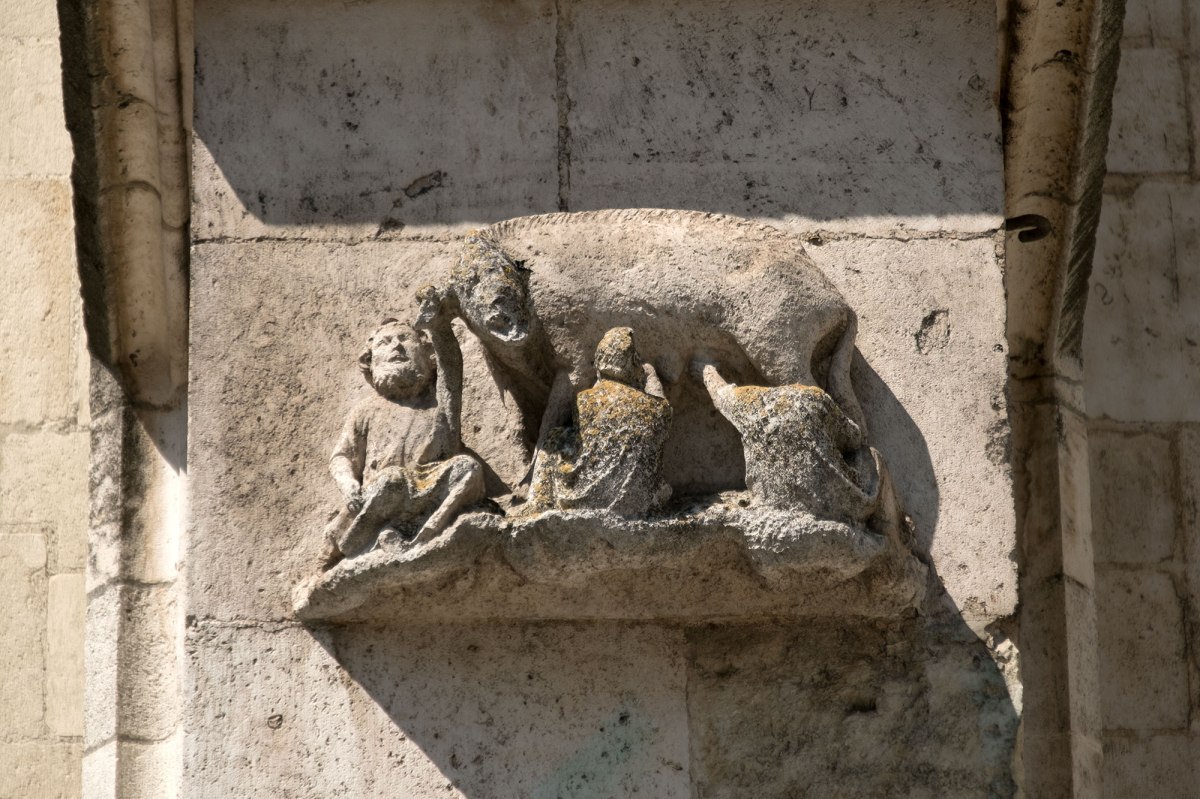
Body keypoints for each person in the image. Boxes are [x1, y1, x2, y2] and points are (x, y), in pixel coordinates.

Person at [324, 302, 483, 564]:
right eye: (385, 342)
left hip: (429, 480)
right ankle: (361, 541)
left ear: (427, 353)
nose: (396, 346)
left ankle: (423, 534)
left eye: (405, 339)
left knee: (468, 468)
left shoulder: (439, 401)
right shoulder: (367, 410)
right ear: (370, 361)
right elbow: (342, 456)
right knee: (392, 480)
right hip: (386, 489)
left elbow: (452, 367)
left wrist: (439, 326)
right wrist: (348, 484)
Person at [693, 354, 878, 523]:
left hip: (777, 507)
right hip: (837, 504)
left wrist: (706, 369)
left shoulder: (753, 403)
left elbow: (721, 395)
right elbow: (854, 438)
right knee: (869, 457)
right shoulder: (814, 398)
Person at [528, 327, 672, 517]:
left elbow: (587, 443)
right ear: (634, 364)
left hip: (584, 500)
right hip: (639, 502)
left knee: (555, 439)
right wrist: (651, 376)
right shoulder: (658, 407)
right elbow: (663, 407)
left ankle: (540, 502)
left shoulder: (586, 399)